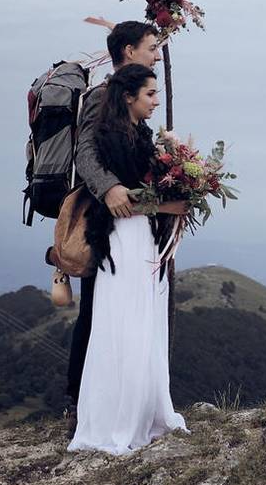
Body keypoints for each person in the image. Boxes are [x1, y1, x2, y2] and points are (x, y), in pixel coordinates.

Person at [67, 64, 189, 454]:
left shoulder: (138, 134)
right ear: (128, 97)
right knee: (125, 321)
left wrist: (174, 159)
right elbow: (125, 201)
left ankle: (144, 411)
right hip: (126, 240)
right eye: (150, 94)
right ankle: (117, 420)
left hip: (142, 238)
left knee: (142, 321)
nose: (155, 101)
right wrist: (170, 200)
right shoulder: (111, 137)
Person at [65, 21, 163, 439]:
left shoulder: (130, 100)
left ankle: (129, 398)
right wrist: (109, 189)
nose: (156, 54)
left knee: (115, 312)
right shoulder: (103, 96)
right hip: (106, 221)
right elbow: (85, 151)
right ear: (129, 50)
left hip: (131, 219)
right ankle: (82, 402)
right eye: (152, 47)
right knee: (98, 313)